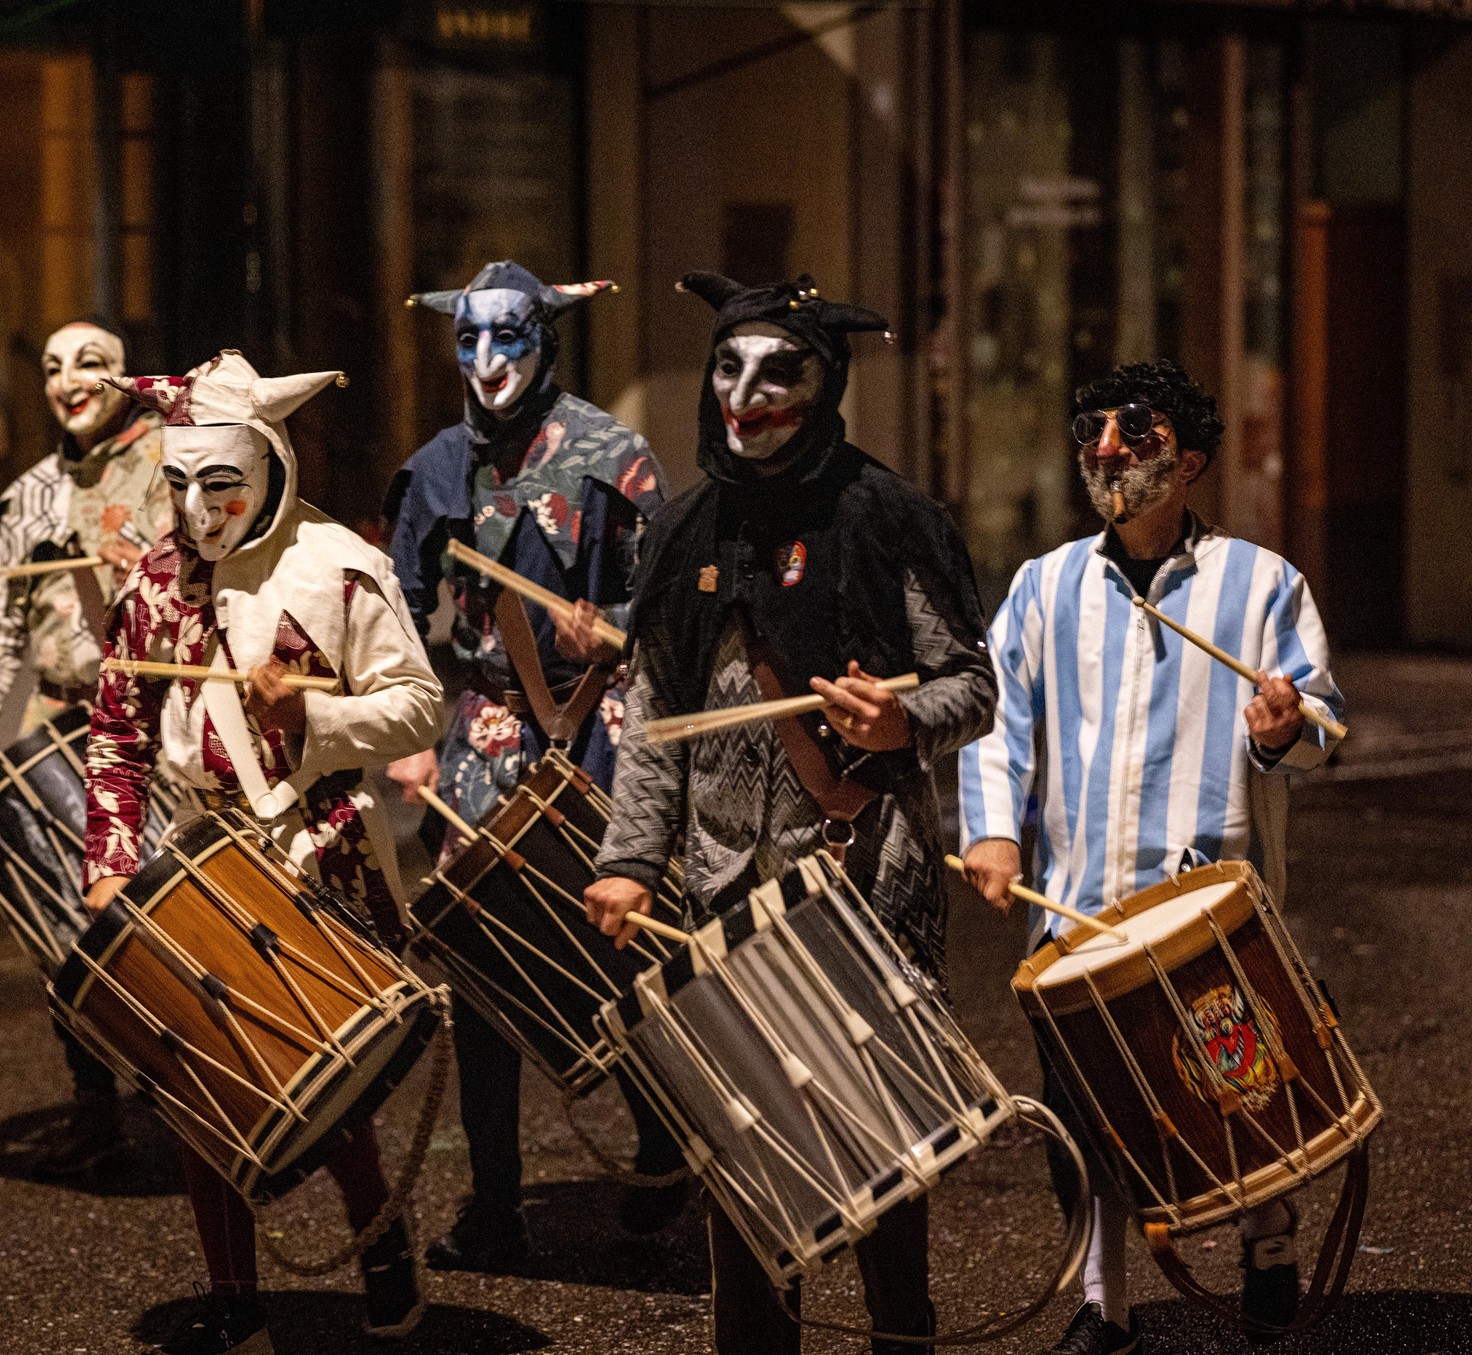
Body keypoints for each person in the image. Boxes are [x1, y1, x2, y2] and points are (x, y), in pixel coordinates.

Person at [585, 272, 997, 1354]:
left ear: (823, 384)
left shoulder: (885, 517)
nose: (743, 392)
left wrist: (896, 725)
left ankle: (898, 1331)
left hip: (865, 875)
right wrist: (631, 855)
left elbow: (970, 685)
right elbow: (651, 713)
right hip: (721, 886)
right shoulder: (682, 531)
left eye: (776, 370)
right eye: (728, 366)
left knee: (886, 1140)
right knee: (737, 1144)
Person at [957, 359, 1343, 1355]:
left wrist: (1277, 724)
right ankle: (1105, 1304)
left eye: (1135, 431)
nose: (1107, 448)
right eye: (1093, 427)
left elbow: (1318, 730)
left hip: (1209, 911)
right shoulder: (1042, 587)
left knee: (1237, 1094)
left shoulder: (1261, 584)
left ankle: (1265, 1237)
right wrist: (993, 828)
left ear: (1193, 458)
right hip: (1076, 916)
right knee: (1092, 1128)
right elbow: (994, 725)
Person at [81, 351, 445, 1355]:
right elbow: (114, 731)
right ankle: (233, 1290)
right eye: (179, 485)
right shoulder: (153, 581)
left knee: (326, 1080)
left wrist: (315, 711)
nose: (198, 511)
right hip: (197, 849)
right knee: (199, 1079)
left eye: (221, 484)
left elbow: (420, 703)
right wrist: (108, 857)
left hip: (315, 843)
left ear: (270, 463)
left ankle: (378, 1239)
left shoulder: (337, 565)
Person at [382, 259, 682, 1269]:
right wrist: (411, 726)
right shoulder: (432, 470)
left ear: (544, 338)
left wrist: (621, 629)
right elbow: (393, 615)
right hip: (480, 734)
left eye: (505, 337)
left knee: (621, 937)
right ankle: (496, 1197)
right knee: (477, 964)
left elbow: (674, 596)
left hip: (597, 727)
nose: (485, 360)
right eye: (468, 340)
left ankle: (658, 1149)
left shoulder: (613, 454)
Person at [0, 317, 172, 1179]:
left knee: (161, 905)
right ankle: (93, 1097)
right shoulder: (29, 496)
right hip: (57, 722)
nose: (68, 379)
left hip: (159, 719)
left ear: (122, 376)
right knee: (62, 918)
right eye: (50, 367)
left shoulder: (175, 468)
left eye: (89, 363)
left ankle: (191, 1076)